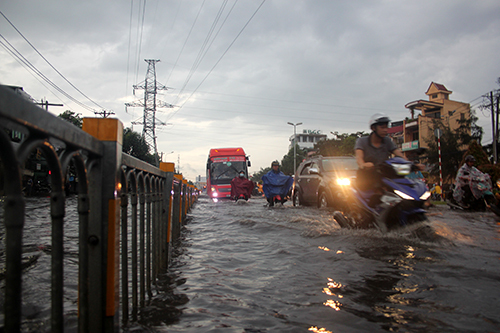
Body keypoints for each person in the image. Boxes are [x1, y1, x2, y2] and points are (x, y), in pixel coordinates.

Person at [354, 113, 407, 191]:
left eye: (386, 127)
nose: (385, 130)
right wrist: (363, 164)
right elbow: (359, 158)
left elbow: (398, 153)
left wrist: (410, 163)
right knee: (375, 196)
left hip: (385, 176)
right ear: (373, 128)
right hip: (367, 178)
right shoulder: (362, 141)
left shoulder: (387, 141)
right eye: (382, 127)